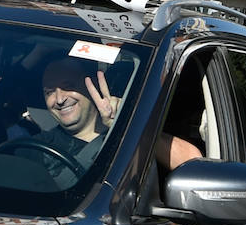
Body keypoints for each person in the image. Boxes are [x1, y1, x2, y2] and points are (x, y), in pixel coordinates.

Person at [32, 58, 198, 174]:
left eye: (68, 86)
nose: (59, 99)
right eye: (49, 92)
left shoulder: (131, 132)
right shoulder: (37, 149)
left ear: (93, 86)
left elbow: (193, 164)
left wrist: (128, 126)